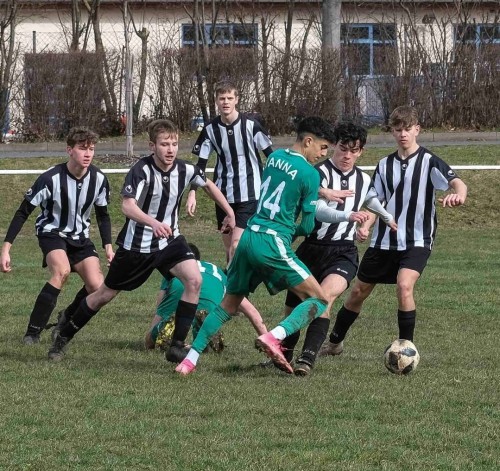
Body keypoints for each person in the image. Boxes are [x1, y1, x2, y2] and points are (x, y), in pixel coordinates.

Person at [47, 119, 236, 362]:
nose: (170, 149)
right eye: (164, 144)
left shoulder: (184, 169)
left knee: (194, 279)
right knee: (104, 294)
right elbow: (127, 206)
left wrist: (229, 212)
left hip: (170, 241)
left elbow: (207, 184)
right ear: (152, 146)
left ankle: (176, 345)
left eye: (174, 144)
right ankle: (63, 335)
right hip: (137, 246)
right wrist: (153, 222)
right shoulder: (141, 170)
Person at [176, 116, 343, 376]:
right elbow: (309, 226)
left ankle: (189, 361)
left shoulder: (274, 158)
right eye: (323, 148)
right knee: (319, 299)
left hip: (248, 235)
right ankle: (273, 336)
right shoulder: (311, 174)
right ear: (308, 141)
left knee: (230, 303)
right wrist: (293, 230)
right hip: (272, 241)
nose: (323, 154)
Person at [321, 105, 468, 357]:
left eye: (407, 129)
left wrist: (459, 195)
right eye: (398, 129)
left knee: (404, 286)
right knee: (358, 291)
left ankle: (405, 348)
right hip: (384, 241)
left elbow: (457, 182)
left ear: (417, 130)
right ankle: (335, 343)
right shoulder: (384, 164)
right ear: (392, 132)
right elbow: (375, 201)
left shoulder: (429, 161)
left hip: (417, 239)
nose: (403, 134)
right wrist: (365, 226)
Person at [277, 121, 397, 376]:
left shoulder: (364, 179)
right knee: (294, 306)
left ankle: (306, 359)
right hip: (311, 248)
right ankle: (283, 353)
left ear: (361, 151)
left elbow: (371, 199)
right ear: (334, 147)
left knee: (324, 298)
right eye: (343, 148)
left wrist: (383, 217)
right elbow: (317, 208)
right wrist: (348, 216)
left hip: (343, 252)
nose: (347, 155)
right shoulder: (316, 173)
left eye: (354, 151)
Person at [0, 127, 114, 344]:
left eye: (91, 149)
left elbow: (103, 215)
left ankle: (66, 318)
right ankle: (32, 332)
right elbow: (23, 212)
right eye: (82, 148)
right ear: (69, 150)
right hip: (52, 233)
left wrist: (108, 247)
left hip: (80, 238)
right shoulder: (50, 178)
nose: (88, 153)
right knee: (61, 272)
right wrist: (6, 248)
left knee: (98, 288)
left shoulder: (99, 179)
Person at [188, 80, 273, 263]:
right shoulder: (210, 130)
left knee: (237, 246)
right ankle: (231, 289)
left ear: (236, 100)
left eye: (229, 98)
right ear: (217, 102)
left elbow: (271, 158)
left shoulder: (251, 126)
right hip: (223, 196)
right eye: (222, 98)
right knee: (229, 250)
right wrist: (192, 193)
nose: (225, 102)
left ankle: (239, 291)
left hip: (250, 195)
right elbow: (200, 166)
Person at [144, 243, 267, 352]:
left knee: (152, 339)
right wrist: (267, 341)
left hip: (180, 287)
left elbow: (160, 308)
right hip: (213, 288)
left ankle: (165, 328)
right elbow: (251, 311)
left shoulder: (175, 270)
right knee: (205, 329)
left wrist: (151, 335)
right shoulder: (217, 271)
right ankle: (204, 336)